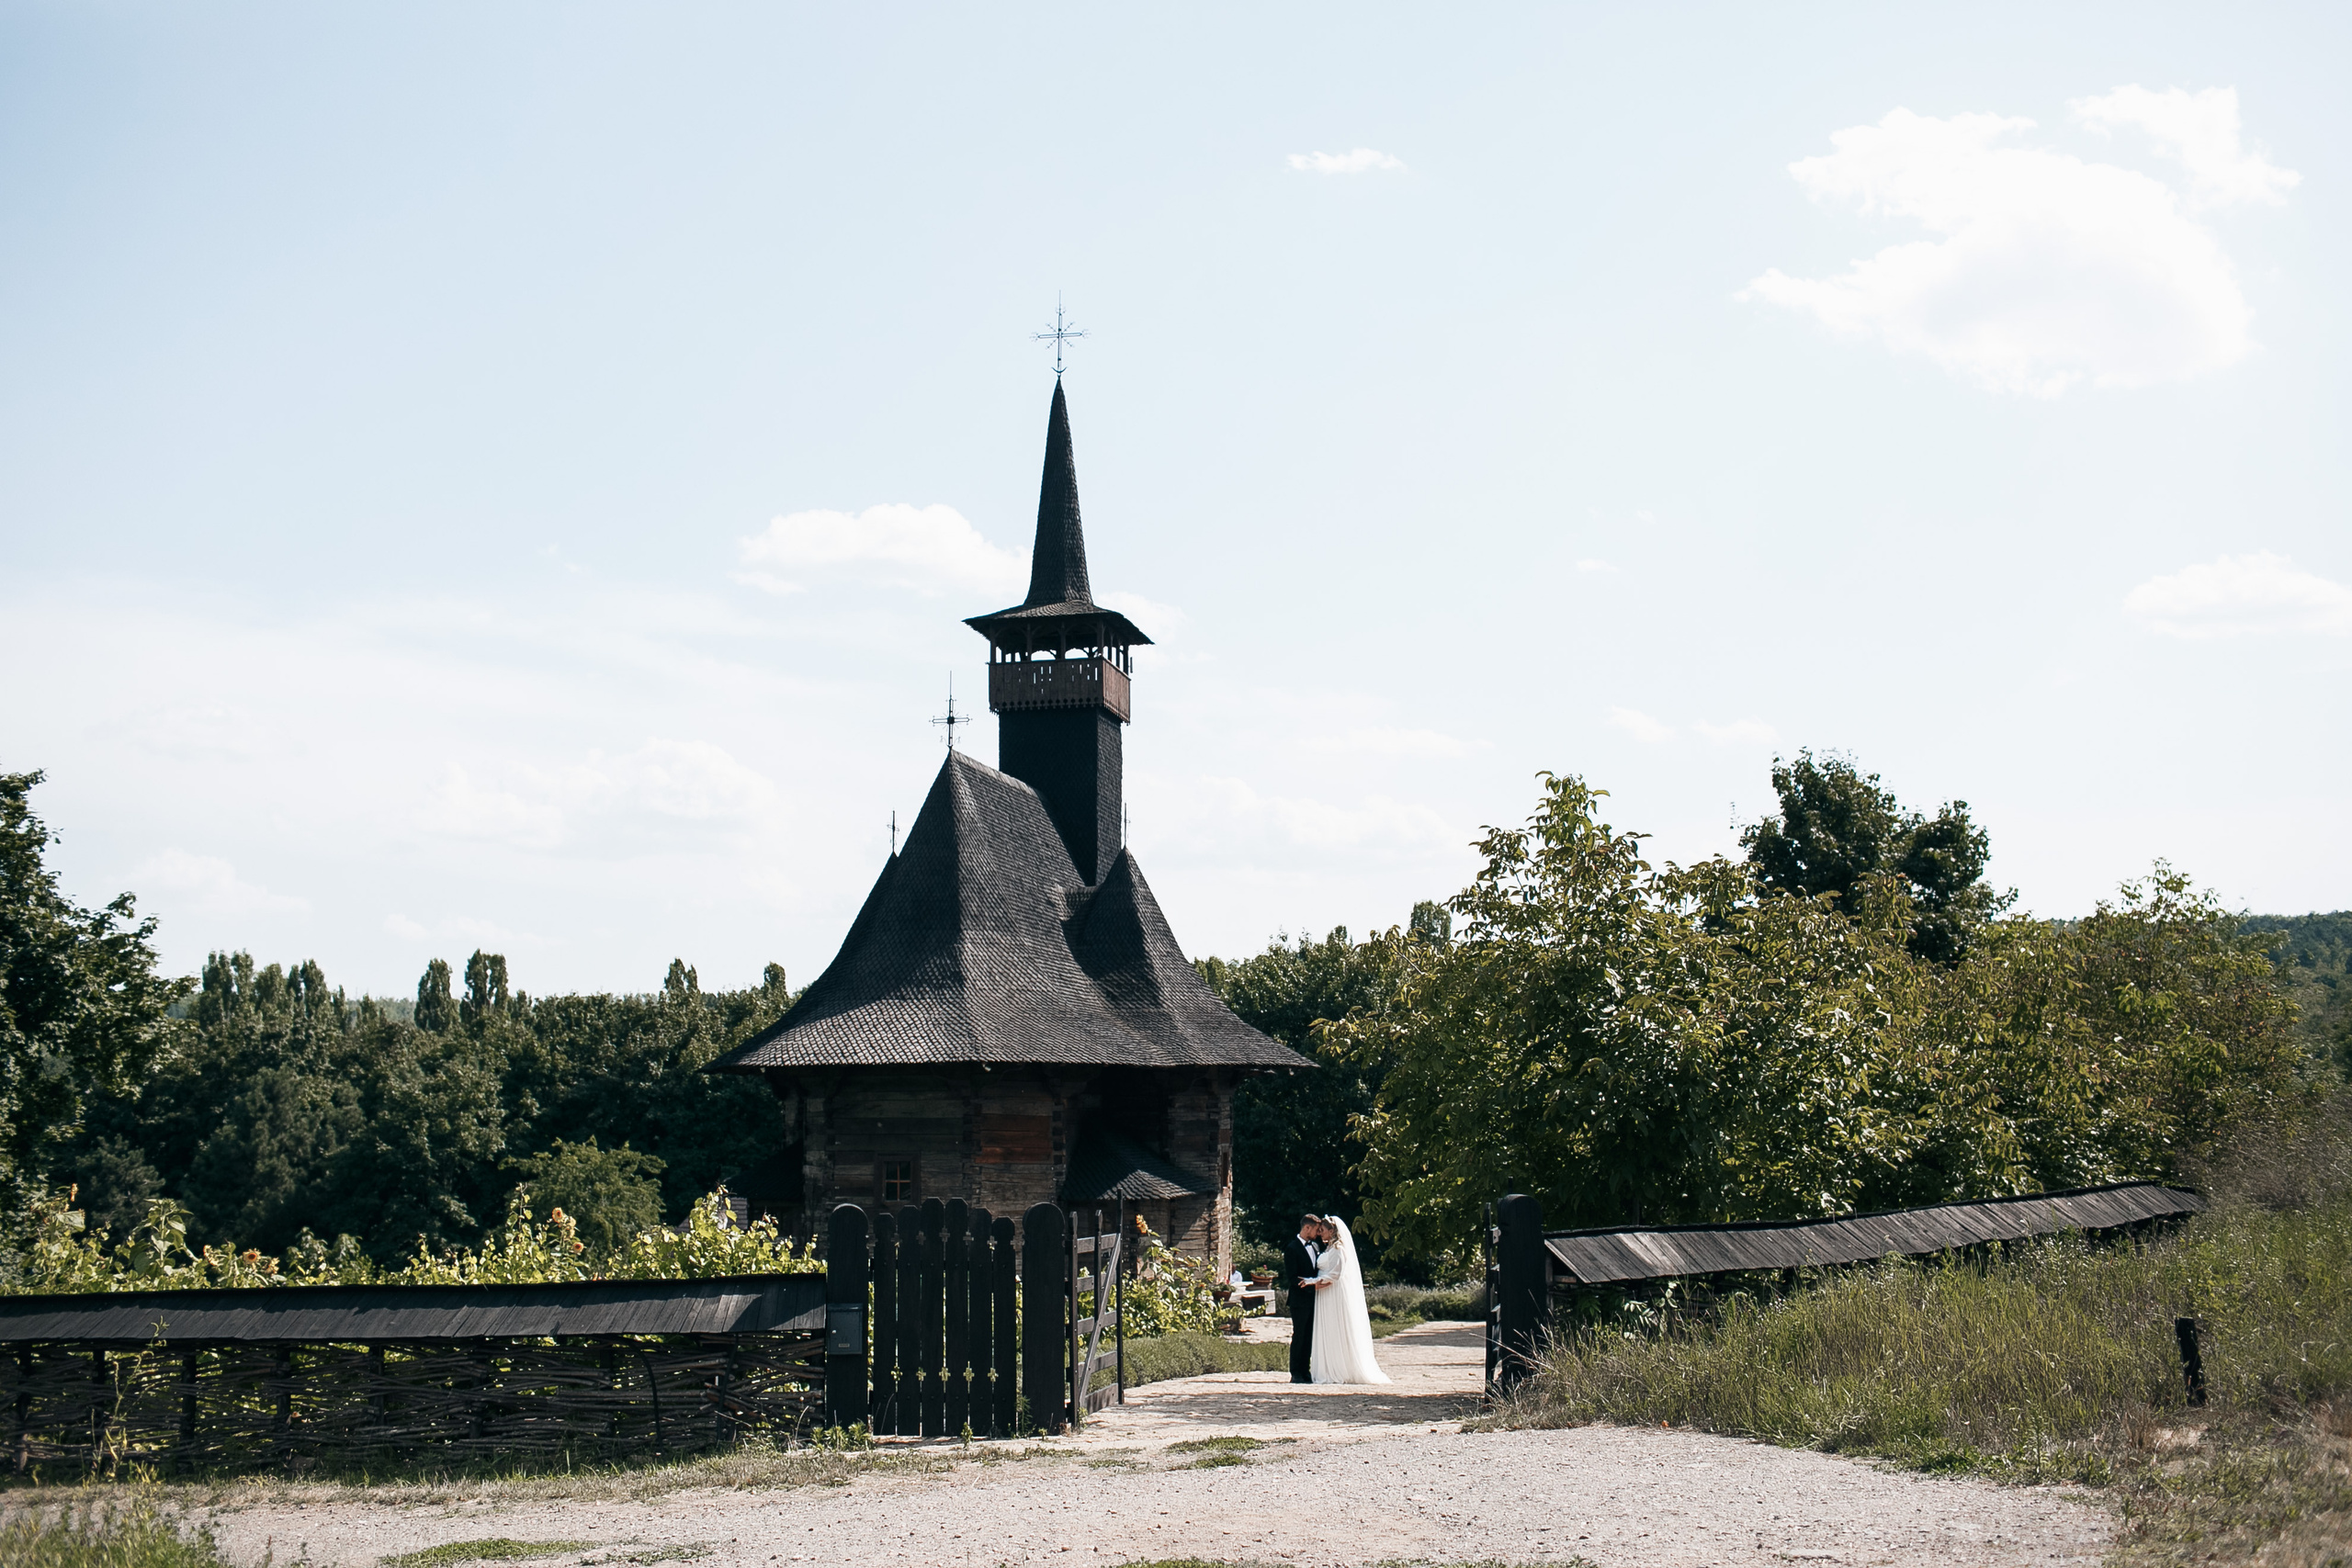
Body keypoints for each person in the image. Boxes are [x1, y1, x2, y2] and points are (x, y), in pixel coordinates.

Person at [1308, 1216, 1390, 1385]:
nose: (1320, 1233)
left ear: (1331, 1231)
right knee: (1327, 1327)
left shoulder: (1339, 1249)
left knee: (1335, 1326)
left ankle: (1339, 1369)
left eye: (1322, 1230)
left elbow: (1337, 1274)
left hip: (1333, 1293)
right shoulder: (1327, 1249)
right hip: (1324, 1293)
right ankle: (1328, 1367)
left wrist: (1314, 1282)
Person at [1283, 1213, 1322, 1384]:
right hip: (1299, 1301)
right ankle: (1295, 1372)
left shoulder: (1315, 1247)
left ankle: (1306, 1370)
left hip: (1315, 1300)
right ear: (1307, 1228)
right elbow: (1293, 1278)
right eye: (1315, 1230)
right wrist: (1313, 1287)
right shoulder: (1292, 1248)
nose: (1318, 1233)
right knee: (1299, 1335)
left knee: (1309, 1336)